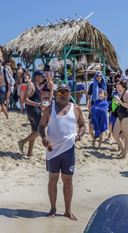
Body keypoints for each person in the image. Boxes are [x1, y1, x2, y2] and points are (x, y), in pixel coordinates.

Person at [38, 84, 86, 221]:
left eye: (65, 92)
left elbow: (82, 125)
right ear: (56, 94)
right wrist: (44, 137)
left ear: (70, 94)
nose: (63, 94)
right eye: (60, 92)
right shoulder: (49, 109)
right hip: (52, 150)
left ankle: (68, 210)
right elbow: (40, 127)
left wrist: (79, 136)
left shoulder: (75, 109)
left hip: (68, 149)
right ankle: (53, 209)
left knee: (68, 180)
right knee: (53, 178)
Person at [18, 70, 46, 157]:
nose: (43, 78)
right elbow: (25, 99)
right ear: (37, 76)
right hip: (32, 110)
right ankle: (22, 142)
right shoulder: (31, 84)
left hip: (35, 109)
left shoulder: (37, 86)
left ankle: (29, 152)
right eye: (42, 76)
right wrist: (38, 104)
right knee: (40, 131)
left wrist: (42, 107)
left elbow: (36, 99)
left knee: (34, 131)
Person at [113, 79, 128, 158]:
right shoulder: (122, 92)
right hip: (120, 115)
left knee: (126, 136)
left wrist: (119, 101)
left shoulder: (127, 92)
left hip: (126, 116)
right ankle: (122, 149)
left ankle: (124, 155)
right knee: (114, 134)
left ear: (121, 85)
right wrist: (118, 100)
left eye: (119, 85)